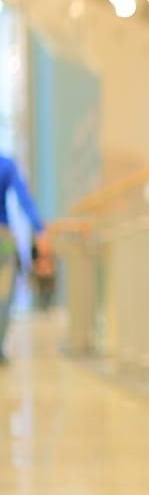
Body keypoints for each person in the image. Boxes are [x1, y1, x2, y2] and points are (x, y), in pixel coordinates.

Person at [0, 152, 49, 365]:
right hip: (3, 237)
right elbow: (24, 199)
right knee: (3, 293)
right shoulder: (6, 164)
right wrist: (39, 229)